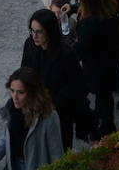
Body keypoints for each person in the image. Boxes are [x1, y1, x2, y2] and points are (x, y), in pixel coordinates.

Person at [0, 67, 63, 170]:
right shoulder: (11, 109)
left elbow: (57, 155)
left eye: (21, 92)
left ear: (33, 92)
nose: (15, 97)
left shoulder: (48, 116)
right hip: (15, 168)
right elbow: (6, 139)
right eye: (12, 91)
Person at [21, 8, 89, 150]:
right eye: (32, 31)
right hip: (35, 110)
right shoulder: (30, 46)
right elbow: (25, 71)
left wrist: (55, 101)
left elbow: (78, 86)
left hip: (59, 115)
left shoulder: (65, 54)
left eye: (39, 32)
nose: (34, 36)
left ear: (50, 31)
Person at [74, 0, 119, 140]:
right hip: (111, 61)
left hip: (97, 66)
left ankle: (106, 127)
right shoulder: (109, 8)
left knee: (103, 96)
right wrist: (73, 8)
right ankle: (104, 120)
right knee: (105, 96)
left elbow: (81, 47)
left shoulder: (91, 22)